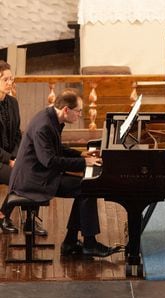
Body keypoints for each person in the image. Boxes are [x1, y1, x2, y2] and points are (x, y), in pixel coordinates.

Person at [8, 88, 118, 257]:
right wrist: (84, 162)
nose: (80, 115)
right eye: (79, 111)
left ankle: (71, 242)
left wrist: (81, 154)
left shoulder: (52, 117)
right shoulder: (44, 126)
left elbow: (57, 148)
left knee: (84, 188)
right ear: (66, 110)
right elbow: (50, 161)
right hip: (33, 180)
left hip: (40, 173)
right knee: (87, 188)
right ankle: (88, 244)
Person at [0, 60, 47, 235]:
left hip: (12, 157)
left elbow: (18, 135)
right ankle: (3, 215)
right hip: (1, 160)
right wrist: (11, 160)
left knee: (36, 169)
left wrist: (19, 156)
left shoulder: (13, 103)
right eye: (6, 79)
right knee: (22, 176)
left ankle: (30, 220)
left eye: (11, 79)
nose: (10, 83)